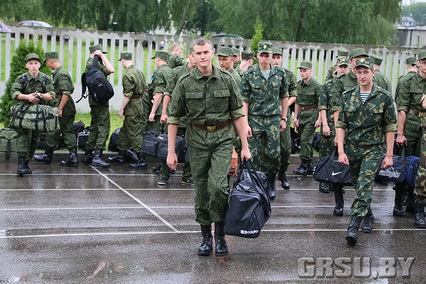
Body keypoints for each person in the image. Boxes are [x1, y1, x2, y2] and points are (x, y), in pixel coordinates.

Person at [166, 38, 251, 257]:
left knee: (218, 187)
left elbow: (237, 114)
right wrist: (170, 151)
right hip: (197, 141)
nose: (202, 56)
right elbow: (174, 117)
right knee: (202, 191)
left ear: (212, 53)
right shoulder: (184, 82)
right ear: (192, 56)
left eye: (206, 52)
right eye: (198, 53)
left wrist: (244, 146)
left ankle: (220, 235)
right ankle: (206, 236)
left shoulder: (227, 79)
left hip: (223, 139)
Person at [336, 57, 396, 245]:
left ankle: (353, 225)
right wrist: (340, 150)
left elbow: (389, 127)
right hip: (353, 148)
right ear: (355, 73)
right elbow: (341, 125)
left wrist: (388, 154)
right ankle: (368, 214)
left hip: (373, 149)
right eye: (359, 72)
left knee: (364, 183)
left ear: (372, 73)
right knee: (358, 184)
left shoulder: (384, 97)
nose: (362, 76)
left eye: (365, 72)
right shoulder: (347, 95)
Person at [241, 42, 289, 200]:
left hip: (273, 119)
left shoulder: (280, 74)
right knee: (254, 154)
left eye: (267, 55)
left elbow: (284, 97)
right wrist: (245, 123)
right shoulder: (249, 74)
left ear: (271, 57)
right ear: (257, 56)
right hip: (255, 119)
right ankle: (257, 184)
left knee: (274, 154)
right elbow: (245, 100)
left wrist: (284, 118)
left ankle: (271, 182)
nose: (264, 58)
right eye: (261, 55)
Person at [10, 53, 55, 175]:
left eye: (35, 63)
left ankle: (26, 161)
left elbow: (52, 95)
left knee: (36, 137)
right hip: (24, 111)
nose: (33, 66)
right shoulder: (22, 78)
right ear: (26, 65)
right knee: (25, 136)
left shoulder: (45, 79)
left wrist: (39, 95)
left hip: (39, 112)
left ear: (40, 65)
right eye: (30, 63)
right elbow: (14, 93)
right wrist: (28, 97)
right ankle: (21, 165)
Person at [34, 52, 78, 167]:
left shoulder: (61, 74)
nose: (47, 65)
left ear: (51, 61)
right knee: (62, 130)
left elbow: (66, 92)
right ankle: (71, 157)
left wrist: (60, 108)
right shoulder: (58, 73)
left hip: (64, 106)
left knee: (57, 130)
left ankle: (50, 156)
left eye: (47, 62)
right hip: (64, 105)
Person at [317, 56, 350, 213]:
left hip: (345, 127)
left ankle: (337, 183)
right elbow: (323, 106)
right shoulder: (328, 85)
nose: (343, 69)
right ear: (336, 67)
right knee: (326, 154)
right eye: (340, 66)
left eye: (345, 66)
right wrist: (324, 124)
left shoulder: (351, 85)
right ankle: (324, 180)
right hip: (330, 123)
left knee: (340, 159)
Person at [162, 47, 197, 185]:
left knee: (191, 147)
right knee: (170, 146)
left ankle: (187, 175)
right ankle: (164, 174)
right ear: (189, 56)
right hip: (176, 117)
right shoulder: (177, 72)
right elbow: (168, 92)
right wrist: (164, 112)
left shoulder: (201, 74)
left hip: (192, 119)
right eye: (195, 55)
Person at [107, 52, 147, 168]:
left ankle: (141, 160)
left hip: (132, 107)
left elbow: (128, 94)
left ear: (123, 60)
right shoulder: (139, 71)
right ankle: (121, 156)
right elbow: (144, 88)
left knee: (134, 133)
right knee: (124, 131)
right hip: (139, 103)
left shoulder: (128, 74)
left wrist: (121, 108)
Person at [393, 56, 420, 217]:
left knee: (420, 167)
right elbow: (401, 106)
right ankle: (399, 201)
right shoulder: (406, 81)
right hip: (410, 125)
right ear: (417, 65)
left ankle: (412, 200)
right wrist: (400, 132)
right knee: (404, 163)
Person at [84, 44, 115, 168]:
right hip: (101, 101)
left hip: (94, 100)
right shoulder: (95, 63)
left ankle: (88, 154)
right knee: (104, 127)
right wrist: (101, 56)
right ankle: (97, 156)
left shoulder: (89, 63)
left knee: (95, 126)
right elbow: (111, 69)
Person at [271, 47, 297, 190]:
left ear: (281, 58)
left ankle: (282, 173)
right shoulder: (264, 74)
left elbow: (294, 94)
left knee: (285, 148)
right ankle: (271, 180)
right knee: (270, 150)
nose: (275, 60)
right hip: (268, 117)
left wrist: (284, 104)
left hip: (283, 116)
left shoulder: (287, 74)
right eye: (273, 57)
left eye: (277, 57)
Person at [407, 51, 426, 228]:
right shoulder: (410, 81)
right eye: (424, 62)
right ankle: (415, 206)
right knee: (420, 170)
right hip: (417, 127)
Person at [293, 61, 322, 178]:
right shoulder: (298, 85)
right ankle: (309, 164)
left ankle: (304, 165)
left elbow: (321, 104)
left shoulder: (316, 86)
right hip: (302, 115)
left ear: (310, 71)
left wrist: (319, 119)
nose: (302, 73)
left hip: (313, 114)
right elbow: (297, 102)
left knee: (305, 139)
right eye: (301, 71)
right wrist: (295, 117)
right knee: (304, 140)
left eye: (305, 70)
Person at [149, 50, 173, 186]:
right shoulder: (172, 71)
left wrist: (153, 112)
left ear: (158, 59)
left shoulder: (159, 72)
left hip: (165, 111)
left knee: (165, 141)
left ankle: (164, 173)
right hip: (174, 110)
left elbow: (158, 94)